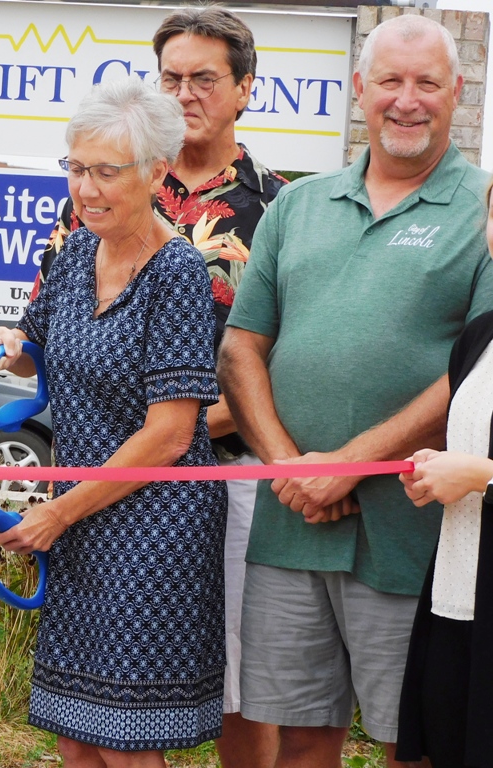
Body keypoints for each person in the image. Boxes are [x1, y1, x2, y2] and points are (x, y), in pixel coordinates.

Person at [217, 15, 493, 767]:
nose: (407, 100)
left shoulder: (484, 209)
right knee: (301, 737)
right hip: (291, 525)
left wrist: (350, 462)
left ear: (457, 92)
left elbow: (477, 371)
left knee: (416, 743)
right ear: (359, 88)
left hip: (415, 532)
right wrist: (290, 468)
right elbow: (242, 347)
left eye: (427, 83)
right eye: (391, 81)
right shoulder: (298, 205)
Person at [36, 9, 285, 764]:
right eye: (171, 77)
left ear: (244, 88)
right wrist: (10, 347)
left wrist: (182, 430)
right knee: (84, 726)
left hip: (206, 480)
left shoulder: (278, 207)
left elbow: (273, 362)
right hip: (98, 487)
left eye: (203, 78)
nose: (185, 92)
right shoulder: (89, 217)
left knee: (240, 692)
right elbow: (42, 329)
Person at [0, 75, 226, 767]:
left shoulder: (177, 272)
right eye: (76, 168)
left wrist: (58, 515)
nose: (85, 189)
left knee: (126, 742)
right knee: (74, 733)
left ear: (156, 172)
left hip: (153, 529)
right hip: (82, 518)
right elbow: (37, 345)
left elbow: (170, 434)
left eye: (105, 172)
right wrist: (13, 343)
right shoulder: (75, 254)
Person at [395, 180, 493, 767]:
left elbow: (482, 468)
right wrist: (442, 466)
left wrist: (481, 474)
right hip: (459, 596)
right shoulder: (480, 336)